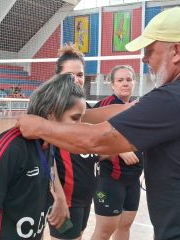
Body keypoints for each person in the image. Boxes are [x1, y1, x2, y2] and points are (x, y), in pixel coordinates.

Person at [16, 8, 180, 240]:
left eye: (150, 51)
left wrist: (36, 125)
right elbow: (125, 110)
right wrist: (76, 113)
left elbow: (94, 140)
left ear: (177, 52)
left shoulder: (177, 97)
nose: (144, 58)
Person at [0, 74, 84, 240]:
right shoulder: (9, 148)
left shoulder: (50, 143)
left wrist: (59, 197)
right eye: (75, 118)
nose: (80, 126)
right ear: (50, 114)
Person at [49, 43, 104, 240]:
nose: (76, 79)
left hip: (84, 197)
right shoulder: (50, 112)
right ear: (57, 76)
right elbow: (47, 160)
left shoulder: (85, 109)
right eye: (70, 74)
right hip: (65, 199)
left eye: (80, 74)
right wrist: (59, 197)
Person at [91, 65, 143, 240]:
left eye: (129, 80)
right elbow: (91, 135)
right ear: (112, 85)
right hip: (110, 178)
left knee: (125, 226)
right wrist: (119, 150)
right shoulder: (105, 106)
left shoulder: (137, 107)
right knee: (105, 230)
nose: (125, 83)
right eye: (120, 80)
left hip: (133, 179)